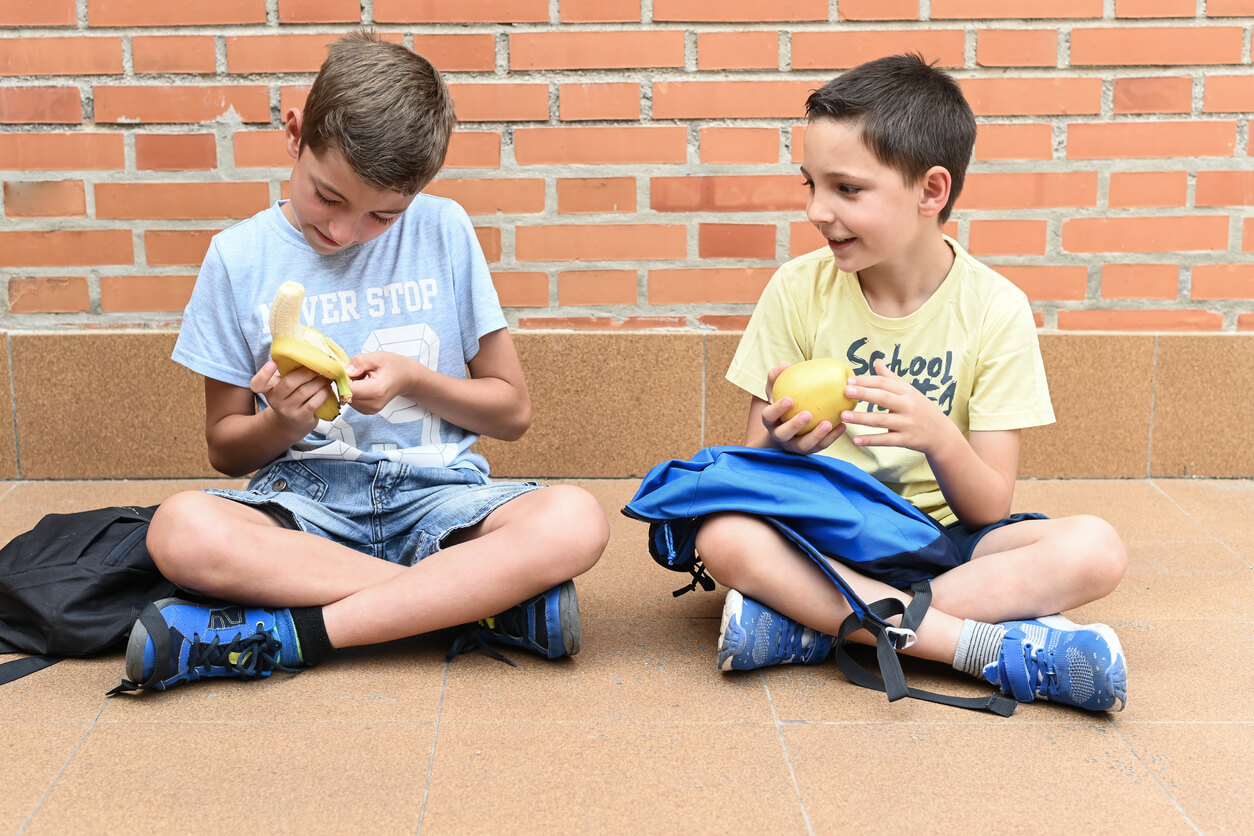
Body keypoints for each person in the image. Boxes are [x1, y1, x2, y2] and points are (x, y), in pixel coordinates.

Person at [111, 30, 609, 694]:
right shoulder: (236, 258)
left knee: (578, 519)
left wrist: (414, 380)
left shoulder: (444, 230)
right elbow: (225, 450)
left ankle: (292, 634)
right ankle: (478, 605)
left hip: (441, 503)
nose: (345, 231)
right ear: (294, 134)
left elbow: (512, 412)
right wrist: (282, 424)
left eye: (382, 214)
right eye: (328, 197)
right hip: (303, 514)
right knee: (180, 530)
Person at [696, 53, 1129, 712]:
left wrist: (937, 436)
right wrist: (786, 441)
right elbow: (753, 465)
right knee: (722, 534)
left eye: (846, 189)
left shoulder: (994, 308)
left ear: (931, 191)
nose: (816, 209)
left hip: (949, 542)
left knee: (1098, 548)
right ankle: (983, 648)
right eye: (808, 183)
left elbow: (988, 506)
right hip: (829, 528)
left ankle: (814, 625)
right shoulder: (797, 290)